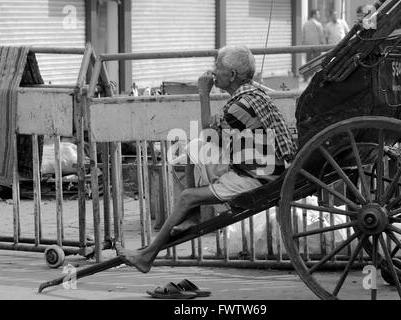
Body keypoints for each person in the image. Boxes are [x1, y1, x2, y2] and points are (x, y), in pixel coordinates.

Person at [116, 45, 297, 273]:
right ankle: (191, 217)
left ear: (231, 75)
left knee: (186, 196)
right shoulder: (252, 96)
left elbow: (209, 132)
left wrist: (203, 93)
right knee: (193, 147)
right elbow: (213, 140)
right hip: (257, 168)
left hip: (258, 179)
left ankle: (147, 255)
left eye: (217, 67)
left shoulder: (240, 105)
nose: (213, 71)